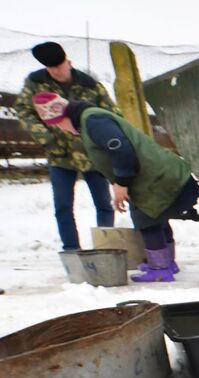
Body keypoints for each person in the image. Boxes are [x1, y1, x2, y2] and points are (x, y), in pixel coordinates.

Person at [32, 91, 199, 282]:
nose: (61, 129)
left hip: (154, 177)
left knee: (147, 219)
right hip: (157, 174)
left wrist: (122, 182)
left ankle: (160, 269)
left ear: (62, 116)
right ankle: (167, 262)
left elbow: (121, 149)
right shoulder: (90, 119)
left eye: (57, 124)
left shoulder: (93, 121)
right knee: (158, 216)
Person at [14, 42, 120, 252]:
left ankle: (105, 247)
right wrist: (47, 137)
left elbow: (112, 114)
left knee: (104, 204)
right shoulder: (35, 83)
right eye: (51, 68)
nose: (57, 71)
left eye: (60, 66)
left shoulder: (91, 85)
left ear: (68, 62)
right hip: (59, 154)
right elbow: (24, 111)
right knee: (63, 206)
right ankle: (71, 249)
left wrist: (99, 138)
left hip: (92, 154)